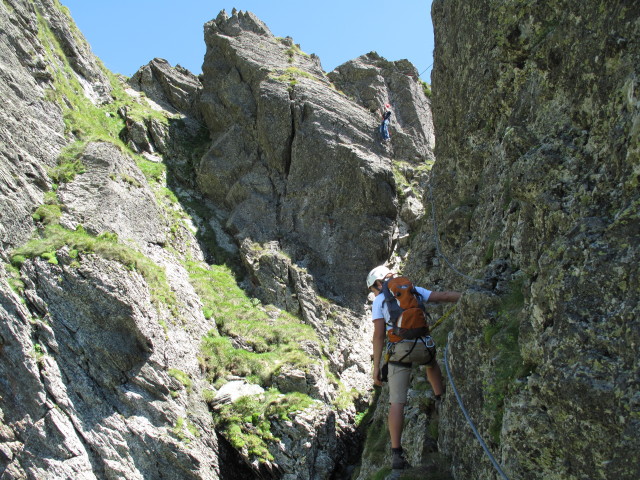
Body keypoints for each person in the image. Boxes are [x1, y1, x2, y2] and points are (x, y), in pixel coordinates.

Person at [366, 265, 461, 470]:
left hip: (400, 351)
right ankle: (439, 398)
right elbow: (442, 296)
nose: (374, 293)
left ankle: (397, 453)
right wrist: (465, 296)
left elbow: (379, 335)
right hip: (423, 345)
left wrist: (376, 368)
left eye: (373, 289)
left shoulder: (380, 300)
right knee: (431, 364)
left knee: (396, 403)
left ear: (378, 283)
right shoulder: (413, 289)